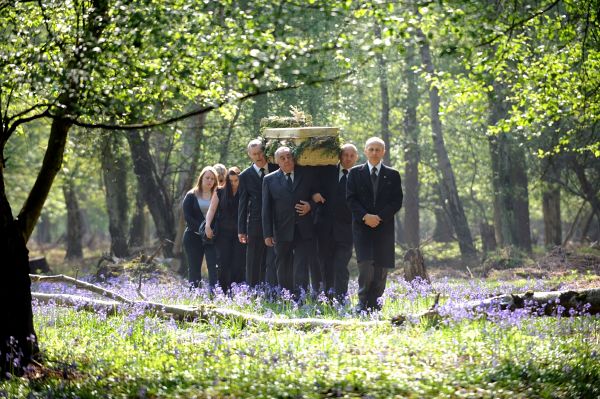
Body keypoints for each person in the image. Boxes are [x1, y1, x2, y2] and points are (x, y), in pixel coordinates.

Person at [346, 137, 403, 312]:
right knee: (366, 266)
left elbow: (397, 201)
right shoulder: (355, 173)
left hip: (383, 228)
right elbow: (350, 199)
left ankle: (376, 304)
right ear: (365, 151)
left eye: (378, 149)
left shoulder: (393, 174)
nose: (374, 152)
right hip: (362, 228)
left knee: (381, 267)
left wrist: (379, 217)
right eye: (371, 149)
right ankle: (362, 303)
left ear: (383, 152)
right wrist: (365, 216)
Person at [262, 146, 318, 295]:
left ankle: (301, 298)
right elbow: (266, 208)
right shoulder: (269, 180)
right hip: (281, 229)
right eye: (282, 158)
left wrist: (310, 206)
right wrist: (267, 233)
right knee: (282, 264)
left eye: (289, 157)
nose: (287, 160)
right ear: (277, 161)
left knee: (301, 265)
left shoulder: (306, 175)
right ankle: (285, 297)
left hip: (303, 228)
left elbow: (317, 197)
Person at [313, 143, 359, 301]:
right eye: (345, 155)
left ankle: (341, 299)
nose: (348, 158)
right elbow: (312, 187)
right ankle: (328, 298)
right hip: (324, 228)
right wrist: (314, 195)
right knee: (325, 265)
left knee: (341, 266)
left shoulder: (359, 176)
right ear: (340, 156)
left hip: (347, 231)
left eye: (352, 156)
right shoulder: (326, 171)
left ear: (356, 158)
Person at [238, 139, 277, 287]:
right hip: (255, 222)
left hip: (276, 221)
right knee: (253, 260)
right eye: (254, 154)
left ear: (265, 151)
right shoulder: (245, 176)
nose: (258, 156)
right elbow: (242, 204)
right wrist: (241, 230)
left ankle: (273, 292)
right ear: (250, 155)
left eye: (260, 152)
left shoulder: (276, 168)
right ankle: (252, 292)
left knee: (273, 260)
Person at [205, 167, 246, 293]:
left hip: (240, 233)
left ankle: (237, 293)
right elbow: (211, 210)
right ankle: (222, 292)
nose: (233, 183)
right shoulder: (220, 191)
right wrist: (207, 225)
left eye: (236, 180)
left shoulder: (245, 191)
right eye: (231, 180)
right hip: (223, 233)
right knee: (223, 262)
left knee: (237, 264)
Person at [182, 166, 219, 289]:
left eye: (212, 179)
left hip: (212, 237)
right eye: (207, 178)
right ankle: (194, 296)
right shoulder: (191, 195)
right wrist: (203, 230)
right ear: (201, 178)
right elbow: (187, 217)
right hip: (193, 236)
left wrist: (212, 231)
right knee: (194, 269)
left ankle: (215, 295)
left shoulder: (218, 195)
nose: (209, 181)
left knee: (214, 268)